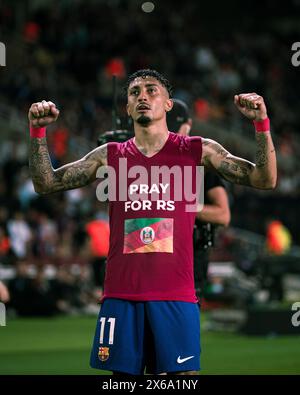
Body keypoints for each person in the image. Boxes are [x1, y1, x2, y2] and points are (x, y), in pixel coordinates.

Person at [28, 69, 276, 375]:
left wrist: (260, 124)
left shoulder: (196, 150)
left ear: (168, 104)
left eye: (151, 90)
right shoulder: (110, 156)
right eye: (134, 93)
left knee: (181, 380)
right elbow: (46, 183)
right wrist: (38, 134)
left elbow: (264, 179)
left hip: (176, 295)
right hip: (121, 295)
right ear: (128, 108)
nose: (142, 96)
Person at [167, 99, 231, 300]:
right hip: (154, 256)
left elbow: (223, 215)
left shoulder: (199, 164)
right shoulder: (146, 162)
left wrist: (181, 207)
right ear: (188, 124)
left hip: (190, 257)